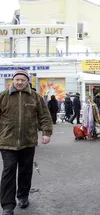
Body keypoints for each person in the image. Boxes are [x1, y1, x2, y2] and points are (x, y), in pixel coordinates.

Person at [0, 69, 53, 215]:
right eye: (17, 79)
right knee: (8, 170)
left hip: (28, 140)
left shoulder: (35, 97)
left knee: (25, 170)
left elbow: (44, 116)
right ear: (13, 80)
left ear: (27, 81)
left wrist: (46, 133)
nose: (19, 82)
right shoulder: (3, 96)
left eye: (23, 80)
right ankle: (7, 205)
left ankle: (23, 195)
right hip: (7, 140)